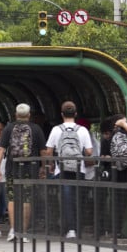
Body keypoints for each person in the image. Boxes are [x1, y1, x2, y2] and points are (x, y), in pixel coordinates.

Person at [0, 103, 46, 242]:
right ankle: (23, 232)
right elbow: (43, 151)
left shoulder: (8, 128)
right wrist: (43, 167)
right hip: (30, 169)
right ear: (29, 115)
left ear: (16, 115)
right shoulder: (36, 129)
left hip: (12, 168)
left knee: (12, 199)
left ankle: (13, 230)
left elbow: (1, 150)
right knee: (26, 199)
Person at [44, 101, 93, 239]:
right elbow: (89, 152)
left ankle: (69, 229)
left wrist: (51, 165)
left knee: (66, 200)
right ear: (75, 114)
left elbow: (49, 151)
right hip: (79, 169)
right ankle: (77, 228)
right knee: (78, 200)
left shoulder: (56, 130)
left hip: (62, 170)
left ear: (62, 114)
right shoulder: (82, 130)